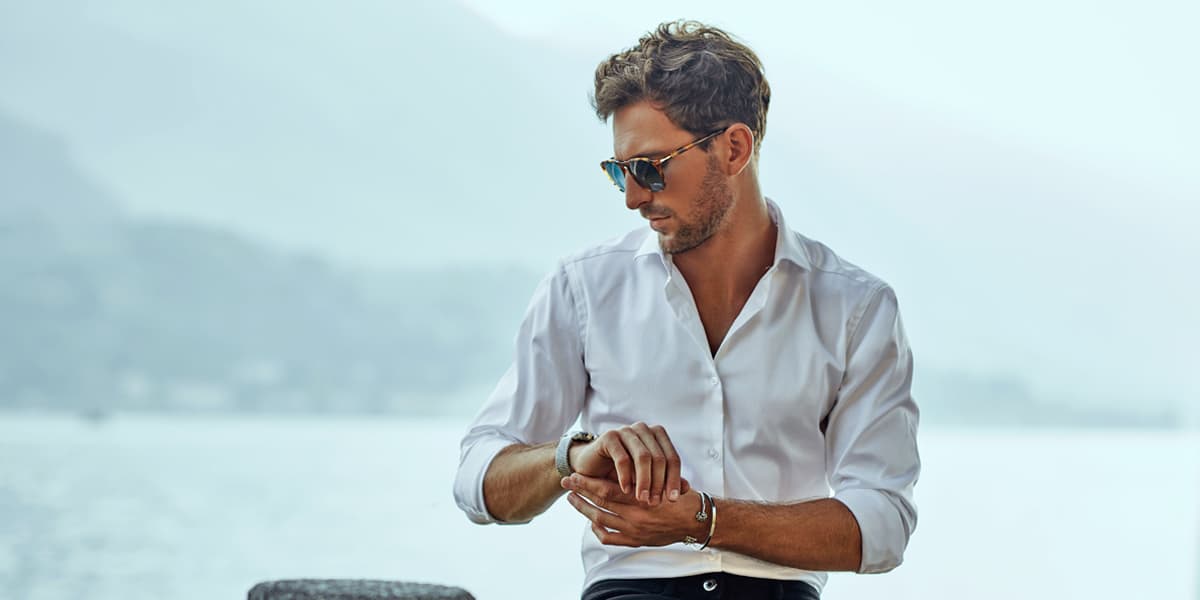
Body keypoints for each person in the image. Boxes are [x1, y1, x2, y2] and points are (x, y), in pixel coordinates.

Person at [453, 20, 920, 599]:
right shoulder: (584, 287)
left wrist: (705, 520)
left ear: (734, 148)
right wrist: (577, 454)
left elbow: (882, 525)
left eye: (650, 167)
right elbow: (478, 482)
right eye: (618, 170)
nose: (632, 196)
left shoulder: (855, 307)